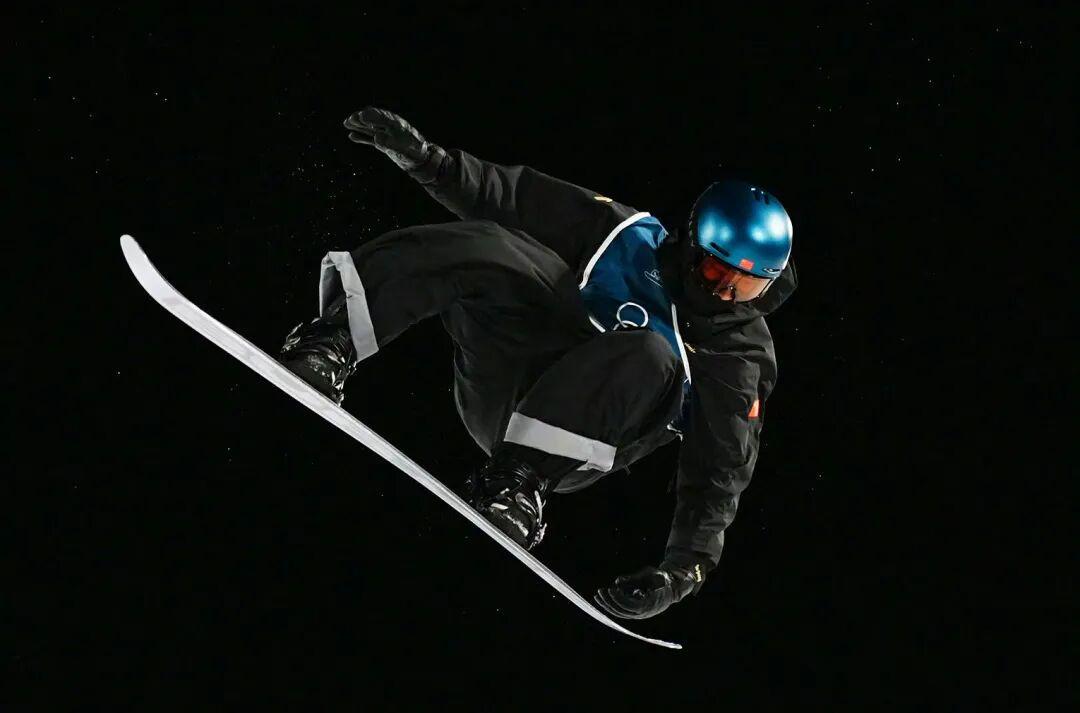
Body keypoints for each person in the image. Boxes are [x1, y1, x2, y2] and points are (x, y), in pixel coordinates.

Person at [278, 107, 798, 620]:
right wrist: (429, 162)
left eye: (747, 287)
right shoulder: (625, 236)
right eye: (715, 273)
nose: (726, 294)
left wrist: (682, 571)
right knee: (495, 243)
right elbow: (515, 198)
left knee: (651, 352)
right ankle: (332, 344)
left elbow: (720, 470)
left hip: (575, 438)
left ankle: (517, 485)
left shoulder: (739, 357)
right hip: (506, 379)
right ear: (691, 243)